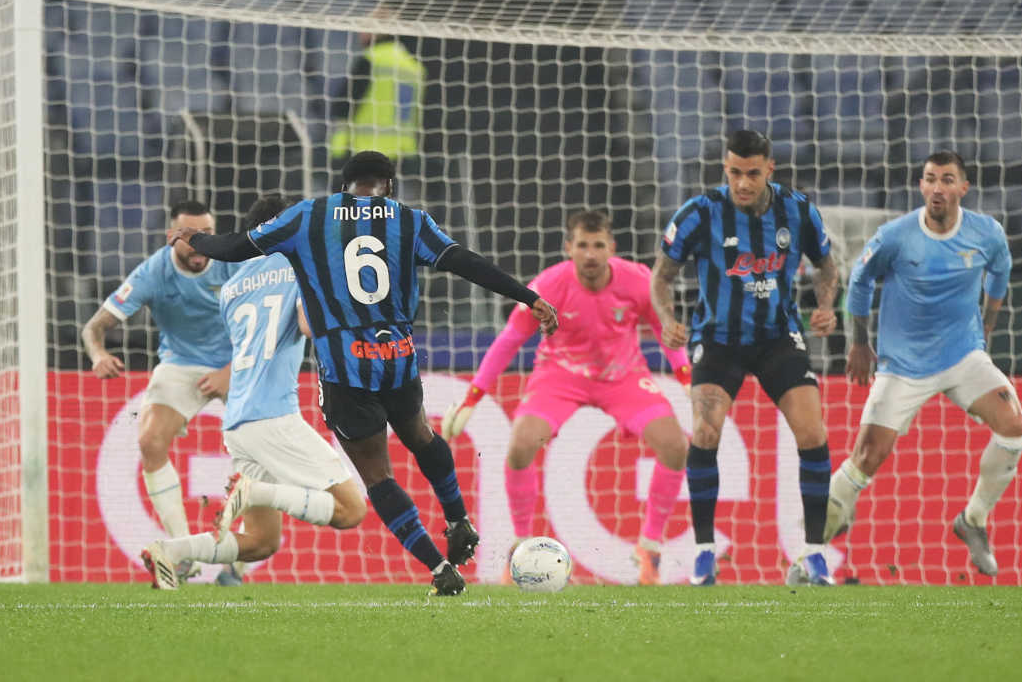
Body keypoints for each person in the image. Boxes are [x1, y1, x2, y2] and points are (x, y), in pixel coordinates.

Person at [169, 151, 558, 596]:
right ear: (388, 185)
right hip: (397, 359)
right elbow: (465, 261)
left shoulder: (309, 216)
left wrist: (196, 240)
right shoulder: (409, 220)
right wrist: (527, 296)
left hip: (345, 370)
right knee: (422, 437)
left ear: (343, 186)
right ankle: (458, 519)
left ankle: (438, 569)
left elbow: (236, 247)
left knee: (378, 477)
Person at [440, 209, 691, 585]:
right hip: (560, 376)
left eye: (598, 245)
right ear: (569, 248)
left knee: (675, 446)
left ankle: (649, 549)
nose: (591, 254)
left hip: (623, 376)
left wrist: (686, 377)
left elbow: (665, 331)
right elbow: (509, 341)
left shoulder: (639, 280)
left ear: (612, 248)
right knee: (521, 446)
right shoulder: (548, 285)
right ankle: (521, 549)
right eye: (583, 245)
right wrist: (472, 398)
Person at [142, 196, 368, 590]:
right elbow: (308, 326)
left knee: (262, 542)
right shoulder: (301, 266)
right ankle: (254, 491)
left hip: (238, 424)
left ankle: (171, 551)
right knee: (352, 510)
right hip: (274, 416)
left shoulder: (231, 288)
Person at [651, 128, 841, 587]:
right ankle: (703, 554)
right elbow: (661, 276)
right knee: (705, 431)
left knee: (812, 433)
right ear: (726, 168)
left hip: (778, 337)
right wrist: (667, 318)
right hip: (719, 340)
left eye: (752, 174)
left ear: (769, 169)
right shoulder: (699, 213)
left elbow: (826, 266)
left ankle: (814, 554)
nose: (742, 183)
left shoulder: (798, 210)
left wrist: (826, 305)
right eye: (734, 172)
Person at [826, 150, 1022, 578]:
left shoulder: (986, 233)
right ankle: (809, 553)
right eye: (930, 179)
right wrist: (859, 343)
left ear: (963, 188)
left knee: (1013, 427)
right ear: (921, 185)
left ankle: (972, 520)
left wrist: (986, 326)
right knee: (866, 457)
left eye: (947, 179)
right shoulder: (896, 236)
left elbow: (1000, 273)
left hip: (962, 355)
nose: (937, 187)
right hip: (903, 365)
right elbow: (860, 280)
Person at [81, 200, 238, 584]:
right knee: (150, 440)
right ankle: (184, 551)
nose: (200, 244)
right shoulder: (153, 272)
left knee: (255, 453)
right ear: (172, 237)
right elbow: (93, 328)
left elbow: (268, 325)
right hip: (181, 364)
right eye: (190, 236)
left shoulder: (232, 262)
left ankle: (238, 559)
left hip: (239, 362)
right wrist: (98, 354)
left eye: (207, 234)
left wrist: (230, 371)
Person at [328, 32, 425, 204]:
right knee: (383, 212)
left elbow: (344, 105)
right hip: (395, 154)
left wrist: (339, 145)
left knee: (347, 211)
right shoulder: (413, 66)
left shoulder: (371, 59)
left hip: (359, 151)